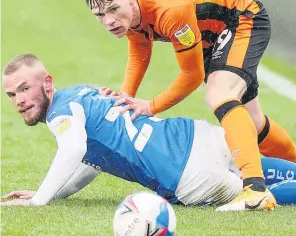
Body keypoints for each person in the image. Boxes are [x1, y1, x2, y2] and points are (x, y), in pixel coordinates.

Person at [82, 0, 296, 211]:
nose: (108, 21)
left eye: (113, 10)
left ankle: (255, 190)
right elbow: (140, 46)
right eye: (99, 14)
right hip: (211, 30)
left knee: (220, 95)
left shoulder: (170, 9)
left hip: (243, 17)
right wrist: (125, 96)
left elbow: (192, 75)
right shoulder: (127, 6)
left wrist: (151, 106)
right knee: (252, 122)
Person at [1, 54, 295, 210]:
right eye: (12, 95)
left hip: (186, 174)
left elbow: (73, 149)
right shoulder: (80, 93)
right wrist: (50, 192)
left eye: (25, 88)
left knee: (259, 195)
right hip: (194, 135)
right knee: (257, 170)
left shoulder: (60, 114)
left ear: (47, 83)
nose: (20, 100)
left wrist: (38, 201)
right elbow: (90, 163)